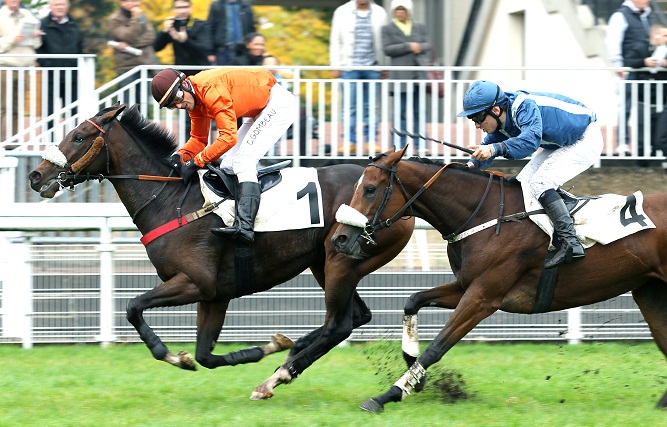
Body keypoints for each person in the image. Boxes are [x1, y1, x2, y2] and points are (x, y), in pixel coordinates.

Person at [459, 81, 602, 268]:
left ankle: (570, 242)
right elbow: (490, 145)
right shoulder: (503, 117)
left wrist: (494, 149)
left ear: (495, 110)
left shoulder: (523, 106)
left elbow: (530, 142)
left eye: (478, 117)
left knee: (541, 183)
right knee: (522, 186)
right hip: (560, 143)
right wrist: (471, 165)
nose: (477, 125)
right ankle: (540, 240)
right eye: (472, 119)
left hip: (584, 138)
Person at [150, 67, 296, 242]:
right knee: (228, 165)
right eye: (172, 105)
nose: (179, 105)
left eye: (177, 98)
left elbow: (228, 138)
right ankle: (234, 217)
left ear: (185, 84)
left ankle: (246, 227)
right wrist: (180, 157)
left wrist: (197, 162)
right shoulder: (194, 101)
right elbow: (198, 139)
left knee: (243, 161)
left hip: (277, 104)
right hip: (259, 110)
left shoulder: (210, 90)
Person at [330, 0, 388, 154]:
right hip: (349, 66)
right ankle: (349, 141)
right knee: (350, 107)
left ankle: (371, 140)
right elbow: (335, 39)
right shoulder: (342, 11)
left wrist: (384, 65)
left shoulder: (380, 12)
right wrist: (335, 65)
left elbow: (384, 41)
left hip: (373, 66)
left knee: (372, 107)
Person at [606, 0, 656, 156]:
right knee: (626, 107)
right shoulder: (620, 15)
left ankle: (648, 145)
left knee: (646, 107)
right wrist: (618, 65)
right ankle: (623, 143)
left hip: (646, 70)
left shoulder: (650, 16)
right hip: (629, 69)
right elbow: (613, 41)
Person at [381, 0, 431, 150]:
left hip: (418, 75)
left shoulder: (419, 26)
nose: (400, 12)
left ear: (408, 11)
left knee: (419, 111)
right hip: (399, 76)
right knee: (399, 112)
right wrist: (409, 46)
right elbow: (387, 49)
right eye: (398, 9)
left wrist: (419, 46)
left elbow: (427, 45)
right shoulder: (387, 28)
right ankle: (398, 145)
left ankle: (421, 144)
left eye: (403, 9)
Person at [623, 22, 667, 165]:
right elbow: (627, 60)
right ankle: (640, 167)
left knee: (659, 137)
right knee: (642, 136)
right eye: (664, 35)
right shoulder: (641, 47)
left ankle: (656, 166)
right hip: (644, 101)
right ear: (654, 36)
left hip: (662, 101)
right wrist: (644, 62)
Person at [36, 0, 83, 132]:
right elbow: (37, 47)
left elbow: (79, 48)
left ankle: (74, 146)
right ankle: (49, 143)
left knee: (73, 112)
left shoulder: (74, 25)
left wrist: (76, 66)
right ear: (50, 7)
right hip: (50, 75)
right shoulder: (42, 25)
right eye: (56, 4)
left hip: (72, 76)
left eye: (62, 4)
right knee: (49, 112)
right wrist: (46, 64)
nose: (59, 7)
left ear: (67, 7)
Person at [0, 0, 41, 143]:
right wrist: (13, 39)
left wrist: (35, 36)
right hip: (6, 67)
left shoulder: (27, 14)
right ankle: (2, 142)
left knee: (18, 109)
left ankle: (13, 143)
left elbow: (37, 44)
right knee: (5, 107)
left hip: (25, 68)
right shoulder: (1, 16)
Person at [108, 0, 156, 107]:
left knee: (143, 105)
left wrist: (129, 46)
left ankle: (142, 124)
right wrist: (135, 18)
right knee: (127, 105)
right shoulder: (115, 19)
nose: (137, 4)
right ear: (123, 3)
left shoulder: (141, 15)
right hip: (127, 67)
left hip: (145, 65)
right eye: (133, 1)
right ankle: (125, 124)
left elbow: (151, 36)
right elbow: (127, 36)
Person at [154, 0, 211, 71]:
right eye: (179, 8)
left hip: (200, 70)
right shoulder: (173, 25)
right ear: (173, 9)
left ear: (191, 8)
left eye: (185, 7)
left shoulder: (200, 25)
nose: (182, 11)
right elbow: (156, 47)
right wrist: (164, 31)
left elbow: (204, 49)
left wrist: (185, 41)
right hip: (181, 71)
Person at [206, 0, 256, 66]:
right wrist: (210, 52)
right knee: (222, 74)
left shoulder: (246, 5)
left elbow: (251, 28)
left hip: (243, 51)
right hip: (222, 51)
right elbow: (209, 28)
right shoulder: (216, 5)